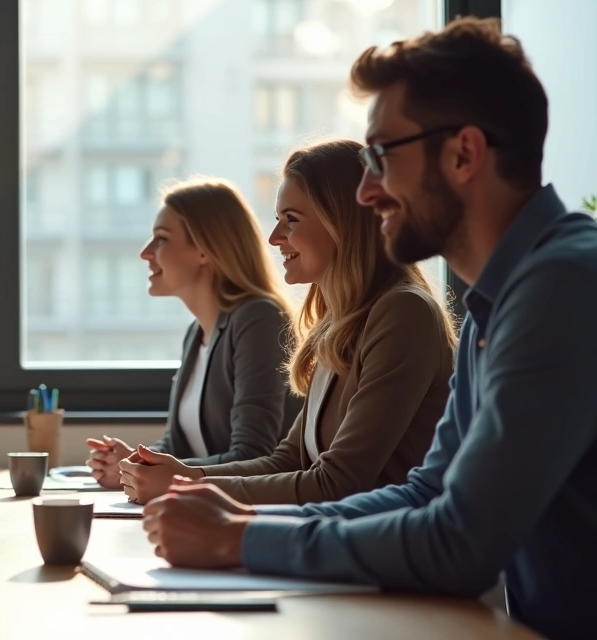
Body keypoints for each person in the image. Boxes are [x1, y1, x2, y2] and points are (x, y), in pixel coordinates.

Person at [141, 18, 597, 639]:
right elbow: (426, 492)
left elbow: (459, 542)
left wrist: (238, 538)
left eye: (381, 155)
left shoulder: (562, 288)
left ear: (464, 153)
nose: (365, 191)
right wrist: (243, 525)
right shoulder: (498, 303)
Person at [122, 139, 455, 505]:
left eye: (291, 220)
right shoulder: (336, 323)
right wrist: (188, 475)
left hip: (384, 544)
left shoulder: (402, 313)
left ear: (341, 221)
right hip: (333, 533)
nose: (274, 237)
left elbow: (338, 483)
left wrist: (185, 486)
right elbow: (289, 459)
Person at [86, 178, 299, 491]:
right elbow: (179, 445)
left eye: (161, 239)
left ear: (205, 250)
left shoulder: (258, 318)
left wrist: (152, 468)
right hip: (203, 506)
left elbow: (256, 454)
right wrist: (134, 462)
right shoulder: (196, 333)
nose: (146, 252)